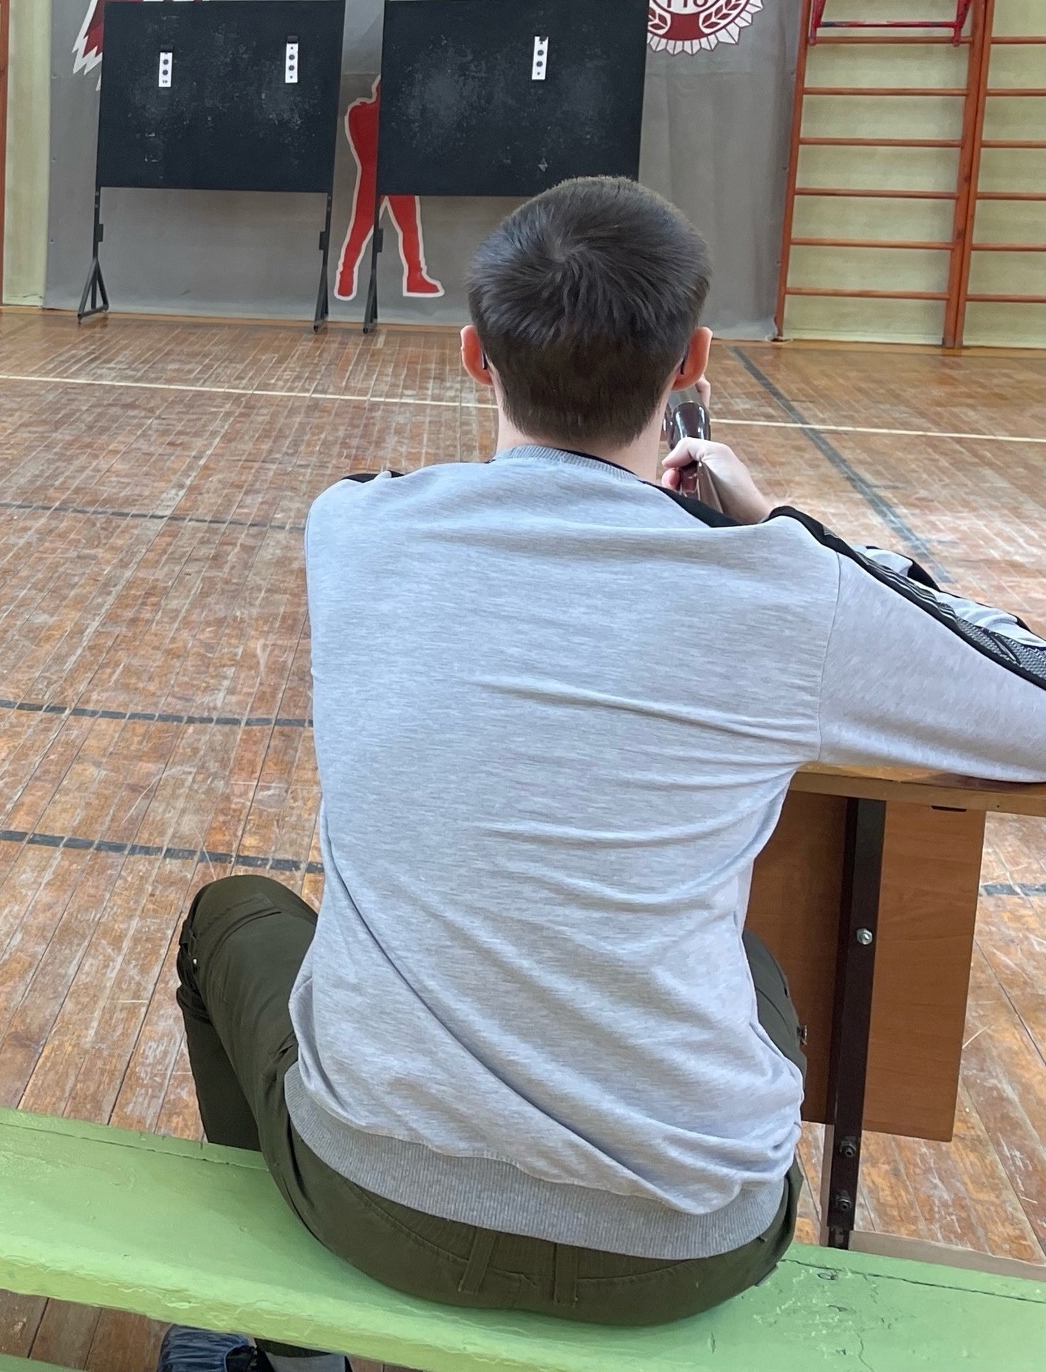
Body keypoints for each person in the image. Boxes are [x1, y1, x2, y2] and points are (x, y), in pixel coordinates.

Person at [165, 176, 1046, 1372]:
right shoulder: (783, 589)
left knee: (232, 918)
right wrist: (783, 530)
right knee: (752, 966)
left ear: (474, 355)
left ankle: (290, 1344)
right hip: (691, 1243)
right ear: (692, 363)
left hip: (378, 1202)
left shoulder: (351, 529)